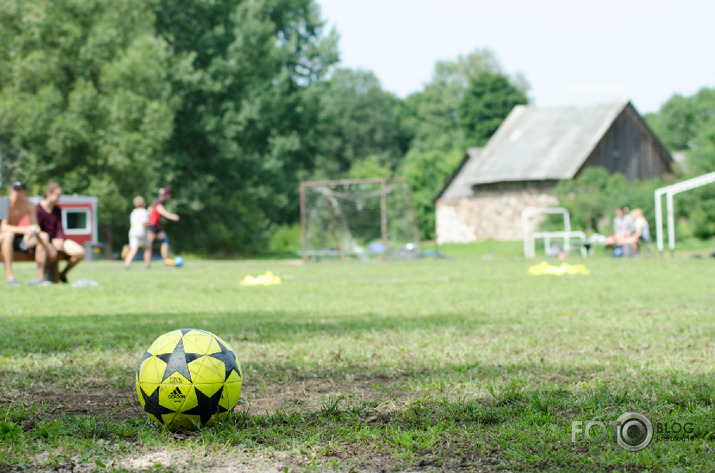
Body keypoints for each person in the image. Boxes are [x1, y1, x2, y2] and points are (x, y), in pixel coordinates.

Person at [0, 180, 52, 285]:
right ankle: (10, 278)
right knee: (8, 236)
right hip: (3, 238)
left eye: (19, 190)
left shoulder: (28, 204)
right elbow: (3, 227)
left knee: (44, 236)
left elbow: (34, 224)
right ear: (11, 190)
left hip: (17, 237)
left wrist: (34, 230)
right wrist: (25, 230)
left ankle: (40, 278)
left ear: (24, 192)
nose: (16, 192)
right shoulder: (4, 203)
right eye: (14, 189)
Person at [36, 182, 85, 283]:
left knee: (80, 252)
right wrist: (51, 241)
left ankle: (62, 274)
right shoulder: (38, 209)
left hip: (58, 240)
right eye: (57, 195)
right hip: (44, 241)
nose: (59, 198)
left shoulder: (57, 210)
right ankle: (43, 277)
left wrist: (60, 239)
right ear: (48, 193)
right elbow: (37, 229)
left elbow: (60, 228)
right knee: (52, 253)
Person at [147, 187, 179, 263]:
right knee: (147, 244)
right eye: (169, 195)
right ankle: (129, 249)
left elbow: (149, 210)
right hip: (152, 225)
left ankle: (165, 260)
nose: (169, 197)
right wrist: (172, 216)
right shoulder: (159, 202)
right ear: (166, 195)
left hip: (155, 225)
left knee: (165, 240)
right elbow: (161, 211)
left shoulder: (156, 201)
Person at [124, 196, 152, 269]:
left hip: (133, 231)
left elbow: (132, 223)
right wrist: (148, 231)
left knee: (133, 249)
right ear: (143, 203)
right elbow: (144, 223)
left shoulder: (133, 212)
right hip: (142, 231)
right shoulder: (144, 211)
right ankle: (147, 264)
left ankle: (127, 264)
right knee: (148, 247)